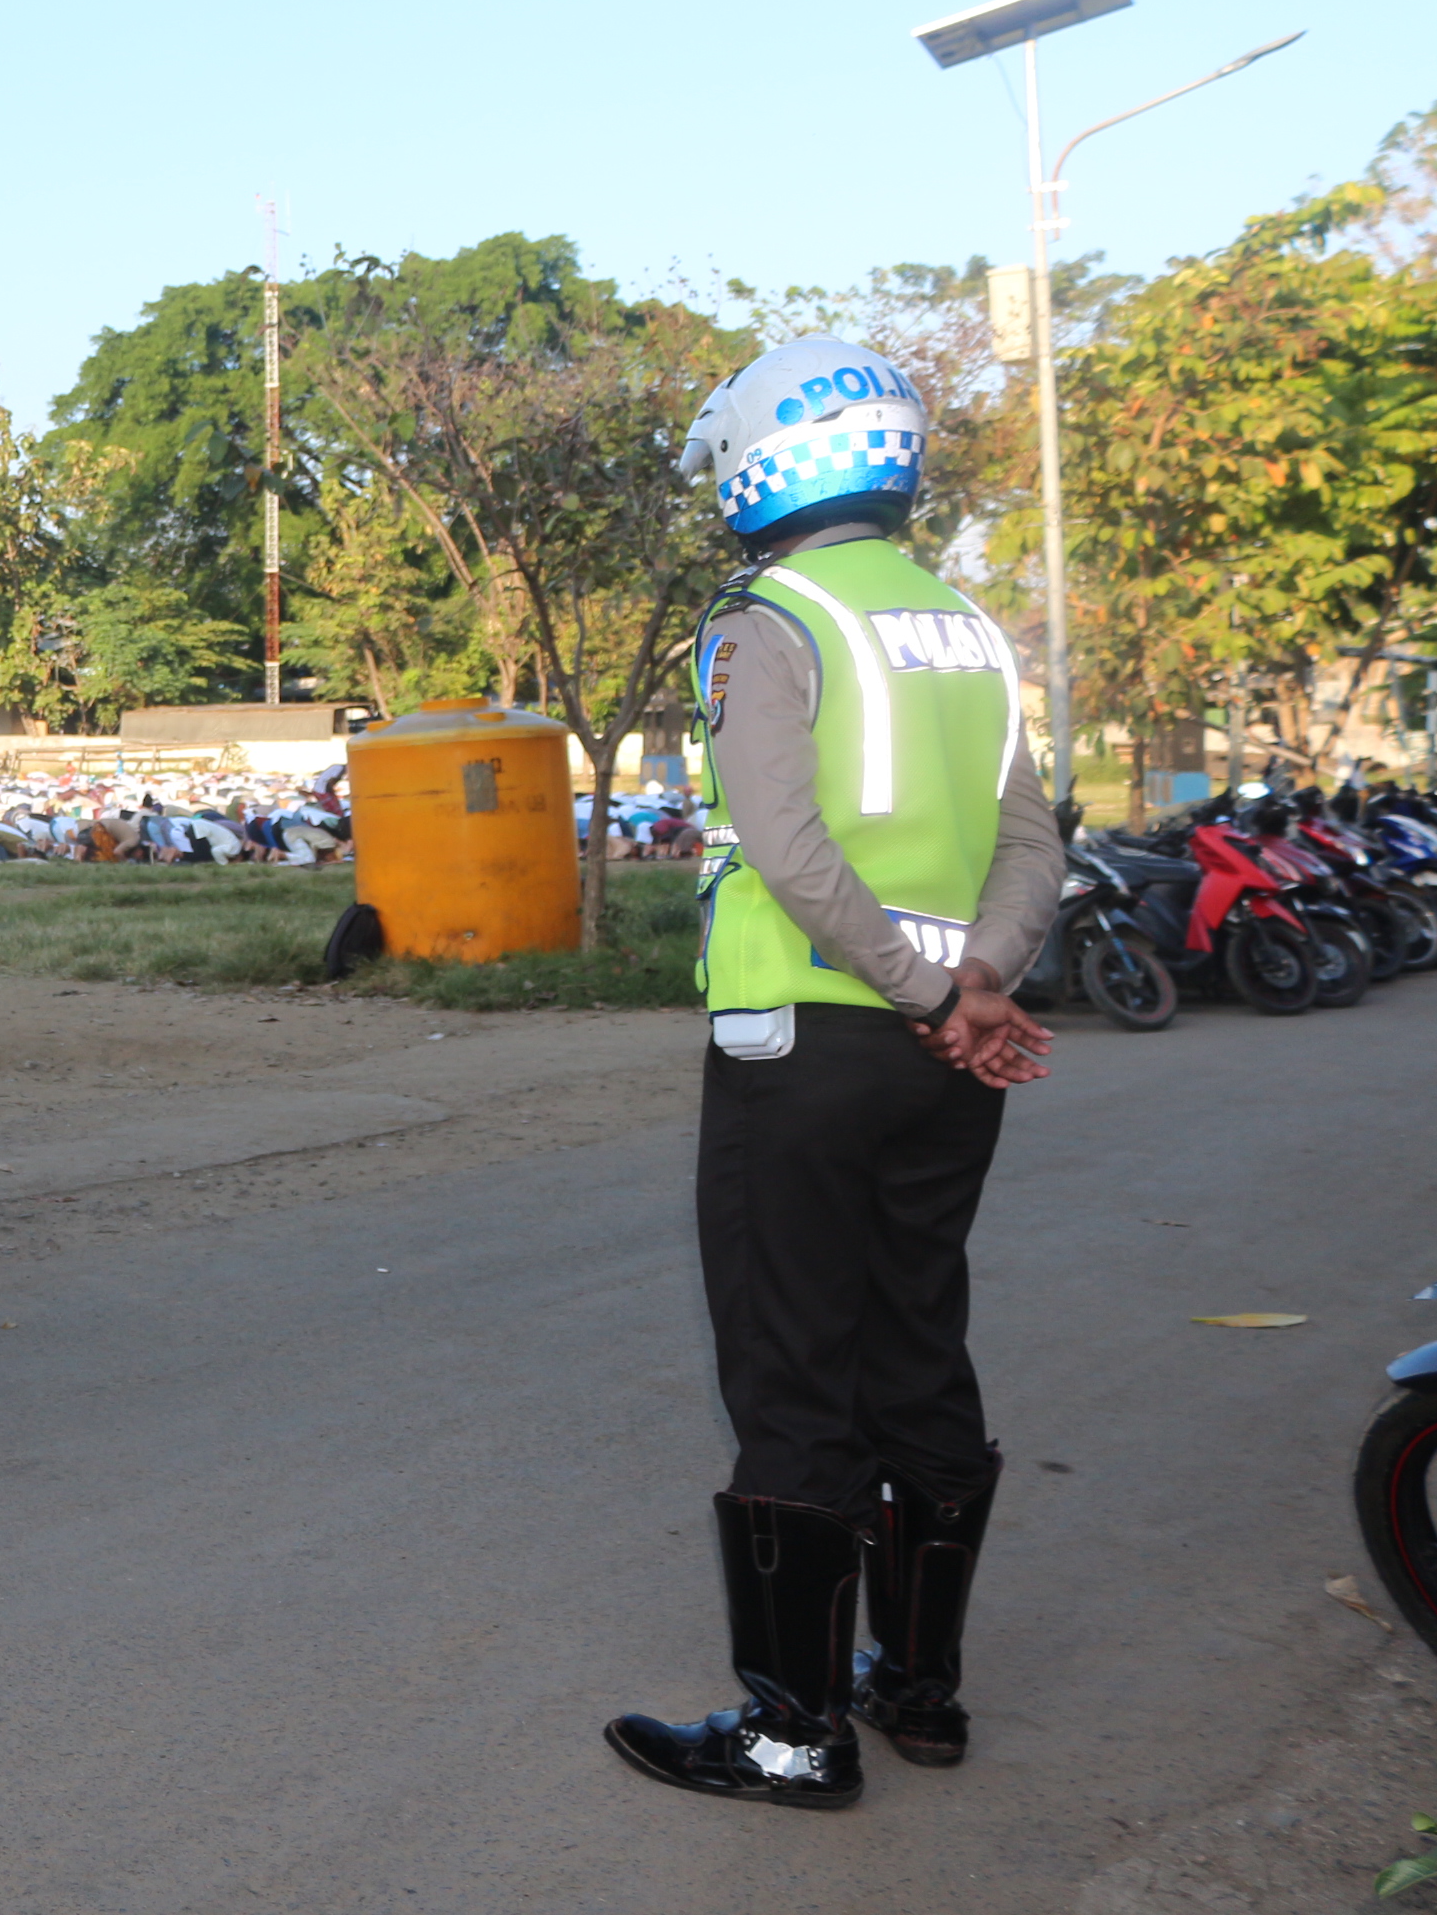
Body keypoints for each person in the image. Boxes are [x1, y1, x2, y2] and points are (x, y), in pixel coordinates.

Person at [604, 336, 1061, 1808]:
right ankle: (919, 1690)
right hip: (946, 1059)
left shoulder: (766, 619)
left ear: (757, 460)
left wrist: (929, 989)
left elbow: (789, 853)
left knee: (794, 1367)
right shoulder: (965, 628)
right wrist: (976, 990)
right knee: (917, 1344)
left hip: (802, 1041)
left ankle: (795, 1732)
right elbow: (1033, 845)